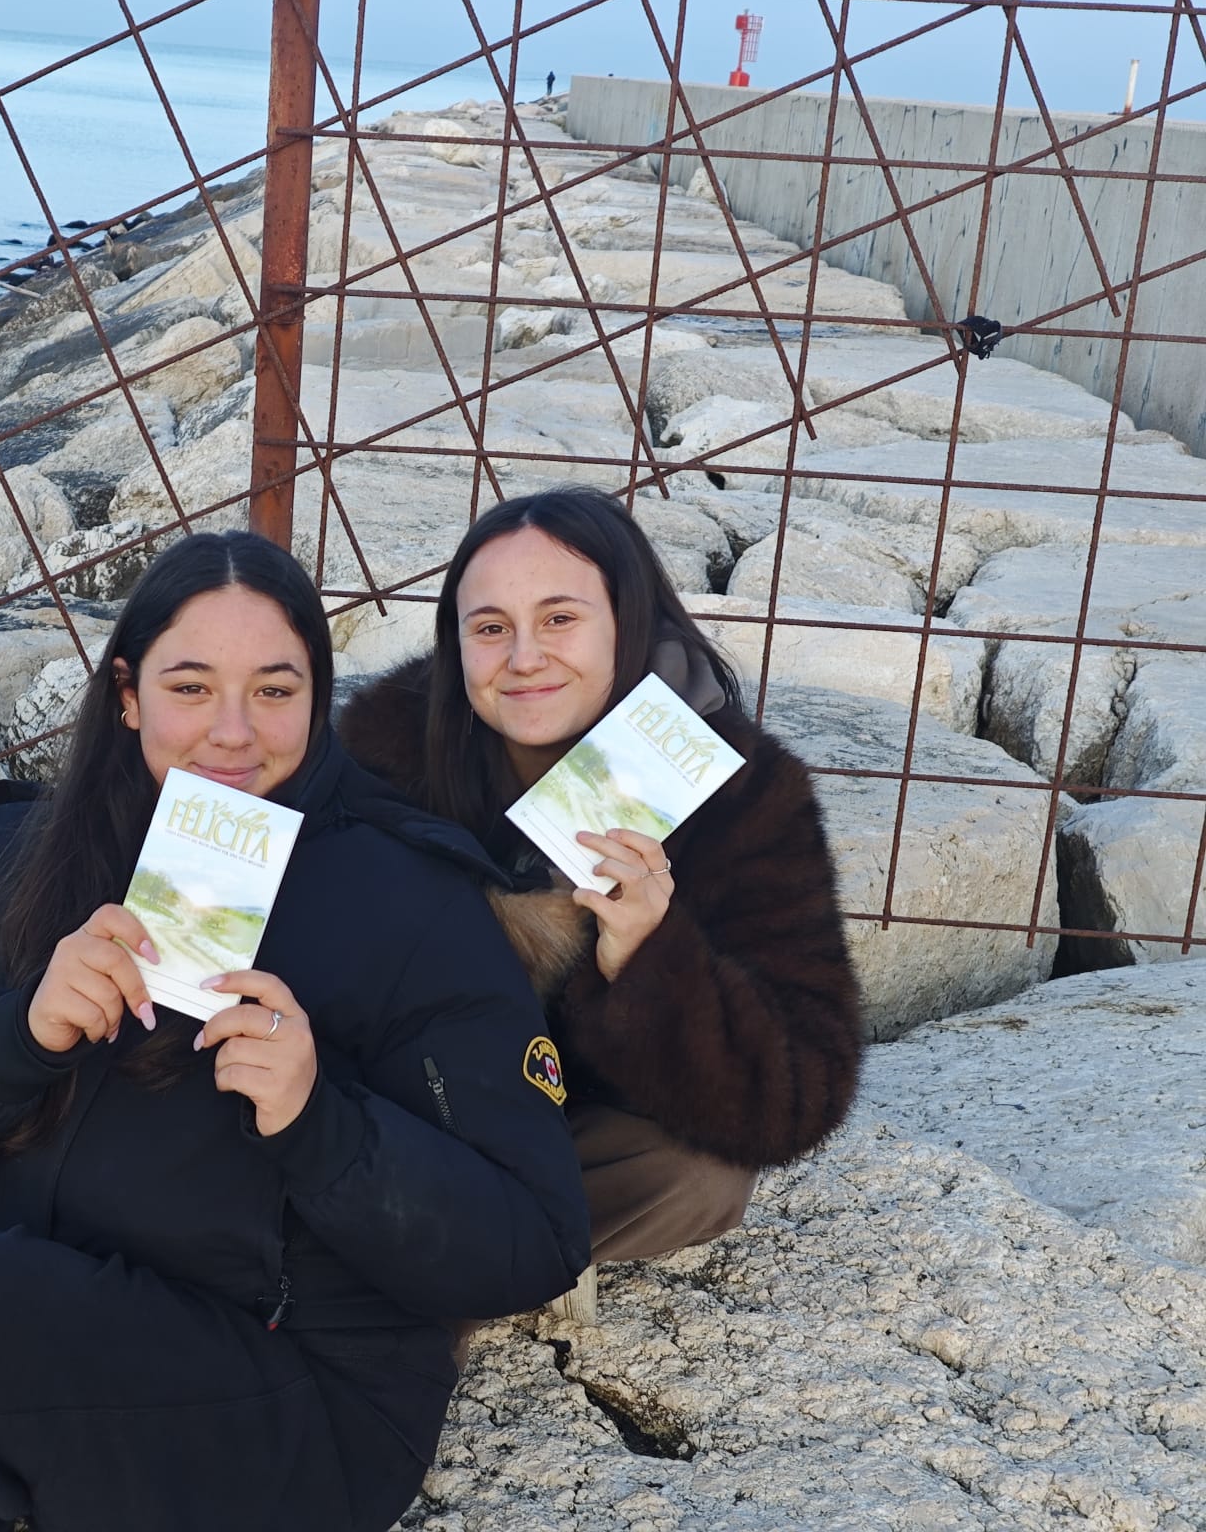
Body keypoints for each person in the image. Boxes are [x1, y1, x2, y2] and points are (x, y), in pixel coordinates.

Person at [0, 530, 589, 1532]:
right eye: (190, 687)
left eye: (274, 691)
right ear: (128, 694)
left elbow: (531, 1244)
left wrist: (319, 1120)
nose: (232, 732)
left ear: (316, 698)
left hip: (273, 1389)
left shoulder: (413, 901)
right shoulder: (22, 848)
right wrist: (14, 1035)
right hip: (20, 1284)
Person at [339, 487, 863, 1284]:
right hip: (405, 1104)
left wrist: (649, 959)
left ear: (628, 620)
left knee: (699, 1176)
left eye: (559, 619)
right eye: (491, 628)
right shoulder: (391, 742)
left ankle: (436, 1251)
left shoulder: (745, 796)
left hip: (570, 1132)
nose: (524, 658)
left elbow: (800, 1094)